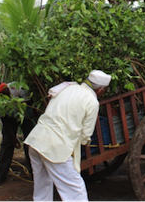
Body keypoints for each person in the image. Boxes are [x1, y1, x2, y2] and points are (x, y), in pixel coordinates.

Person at [24, 70, 111, 202]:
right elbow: (85, 136)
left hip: (36, 139)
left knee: (42, 186)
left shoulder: (67, 88)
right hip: (55, 147)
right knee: (75, 189)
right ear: (100, 90)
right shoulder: (92, 101)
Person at [0, 82, 35, 186]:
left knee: (30, 143)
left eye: (3, 92)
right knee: (7, 143)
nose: (2, 95)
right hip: (10, 117)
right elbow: (4, 119)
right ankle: (1, 174)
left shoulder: (18, 87)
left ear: (6, 88)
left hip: (25, 114)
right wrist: (13, 137)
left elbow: (30, 101)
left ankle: (34, 172)